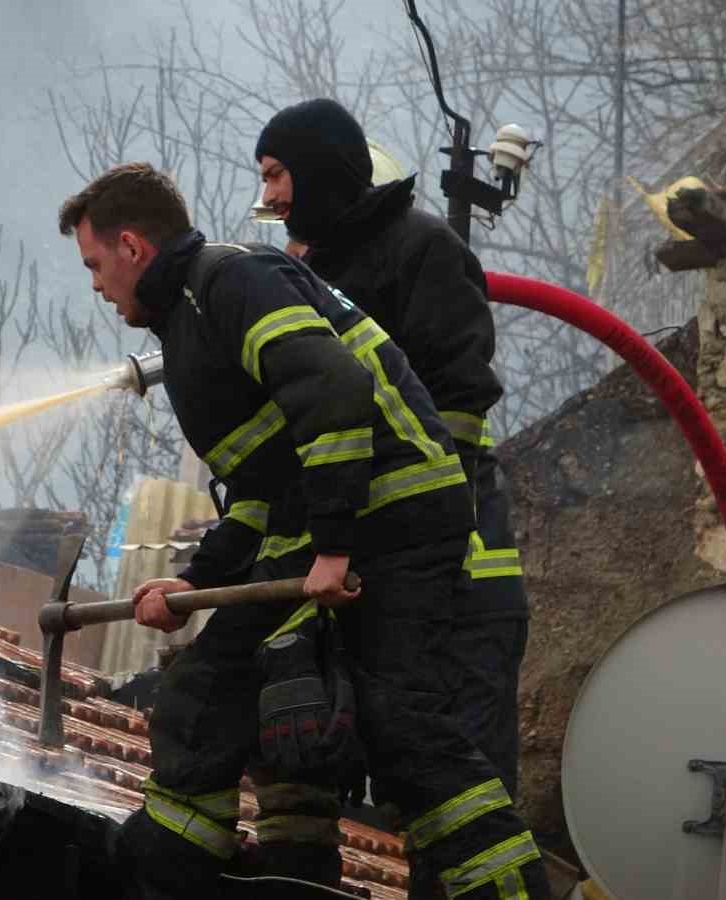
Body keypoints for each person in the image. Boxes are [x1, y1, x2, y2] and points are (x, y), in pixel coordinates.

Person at [59, 161, 549, 899]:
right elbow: (264, 493)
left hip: (398, 518)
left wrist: (334, 546)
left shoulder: (232, 281)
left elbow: (335, 388)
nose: (95, 284)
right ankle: (203, 874)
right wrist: (194, 582)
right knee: (211, 693)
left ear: (131, 246)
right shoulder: (193, 321)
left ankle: (507, 889)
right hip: (339, 526)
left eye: (95, 264)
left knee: (397, 725)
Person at [254, 99, 529, 802]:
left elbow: (459, 406)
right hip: (379, 574)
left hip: (462, 582)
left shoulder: (424, 250)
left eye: (279, 174)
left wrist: (434, 538)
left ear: (319, 171)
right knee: (387, 779)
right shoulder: (311, 276)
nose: (271, 197)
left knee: (459, 780)